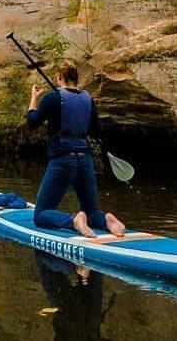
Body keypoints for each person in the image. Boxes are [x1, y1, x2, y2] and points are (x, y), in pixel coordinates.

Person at [26, 61, 125, 239]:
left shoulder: (52, 97)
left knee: (41, 215)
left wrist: (33, 98)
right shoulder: (88, 99)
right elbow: (95, 130)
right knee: (92, 210)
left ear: (59, 78)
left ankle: (73, 221)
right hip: (85, 159)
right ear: (76, 78)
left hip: (62, 160)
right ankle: (104, 220)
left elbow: (32, 122)